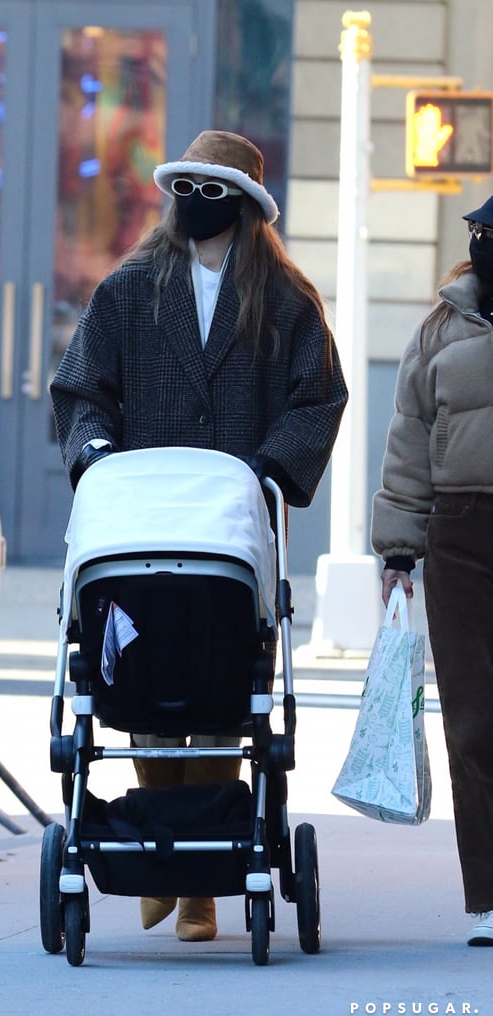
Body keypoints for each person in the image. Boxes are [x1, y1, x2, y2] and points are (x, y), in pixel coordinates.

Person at [50, 129, 348, 942]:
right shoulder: (129, 290)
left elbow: (319, 398)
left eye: (218, 191)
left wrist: (268, 471)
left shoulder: (285, 301)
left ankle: (199, 885)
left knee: (224, 695)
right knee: (143, 687)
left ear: (247, 207)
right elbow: (80, 390)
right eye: (191, 186)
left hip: (231, 537)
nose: (200, 204)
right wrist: (98, 456)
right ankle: (165, 846)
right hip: (144, 526)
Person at [371, 194, 493, 947]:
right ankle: (490, 893)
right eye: (481, 235)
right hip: (459, 539)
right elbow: (407, 440)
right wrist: (397, 548)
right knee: (474, 721)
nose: (483, 246)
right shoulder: (439, 330)